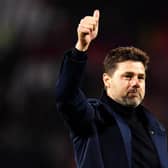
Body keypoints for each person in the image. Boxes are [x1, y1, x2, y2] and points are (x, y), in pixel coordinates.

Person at [56, 9, 168, 168]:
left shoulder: (155, 127)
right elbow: (66, 95)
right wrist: (80, 48)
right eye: (128, 76)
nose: (136, 82)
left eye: (140, 77)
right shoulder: (92, 119)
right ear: (107, 81)